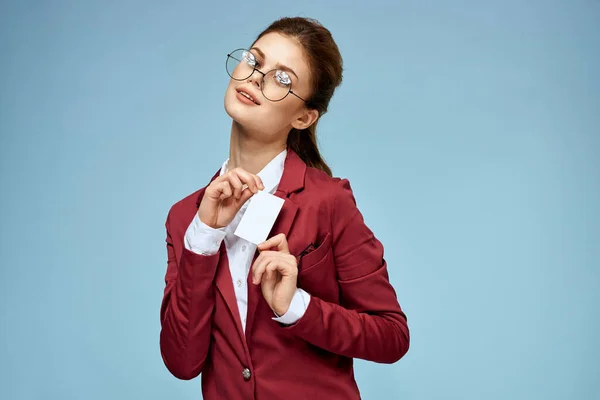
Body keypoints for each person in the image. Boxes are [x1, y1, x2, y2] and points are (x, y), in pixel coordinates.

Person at [159, 16, 409, 400]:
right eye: (255, 60)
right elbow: (182, 362)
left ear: (304, 117)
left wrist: (297, 307)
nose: (257, 77)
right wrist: (205, 238)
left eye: (283, 78)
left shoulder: (329, 202)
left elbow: (392, 336)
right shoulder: (185, 219)